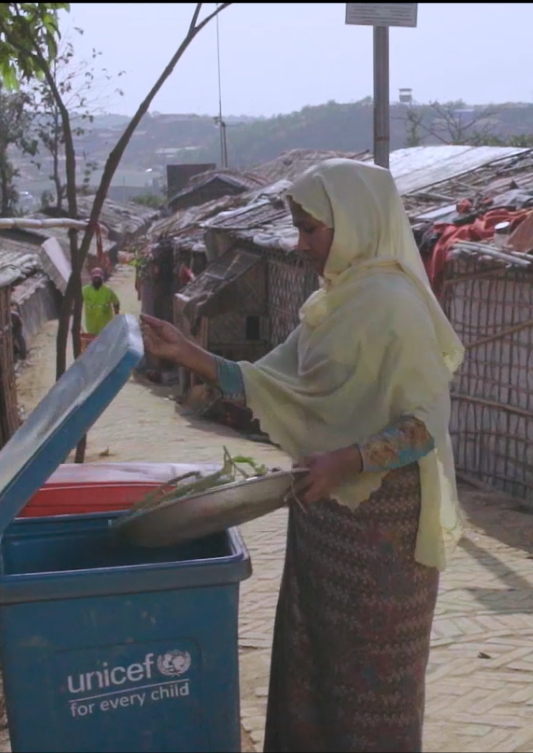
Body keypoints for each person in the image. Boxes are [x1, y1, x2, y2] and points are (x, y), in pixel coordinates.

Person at [139, 158, 464, 752]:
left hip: (383, 531)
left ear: (358, 223)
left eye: (312, 229)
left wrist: (346, 461)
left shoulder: (395, 306)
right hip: (324, 517)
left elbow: (423, 428)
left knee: (372, 684)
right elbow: (274, 382)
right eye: (299, 228)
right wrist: (190, 354)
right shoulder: (332, 304)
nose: (302, 245)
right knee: (313, 663)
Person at [80, 267, 120, 349]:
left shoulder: (107, 290)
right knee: (93, 347)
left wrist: (116, 316)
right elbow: (77, 303)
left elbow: (116, 303)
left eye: (98, 278)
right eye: (95, 278)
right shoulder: (85, 291)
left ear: (102, 278)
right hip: (91, 326)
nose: (97, 280)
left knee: (106, 347)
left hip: (105, 325)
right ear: (92, 278)